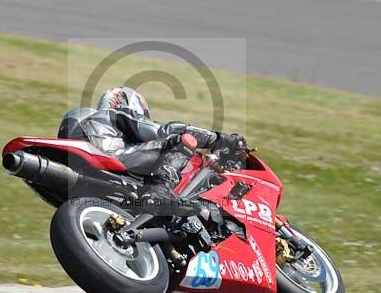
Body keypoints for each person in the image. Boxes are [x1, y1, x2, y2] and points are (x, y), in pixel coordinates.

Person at [59, 87, 247, 217]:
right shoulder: (116, 114)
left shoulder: (102, 129)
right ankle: (161, 192)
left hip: (96, 181)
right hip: (109, 157)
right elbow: (167, 131)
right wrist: (220, 139)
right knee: (181, 139)